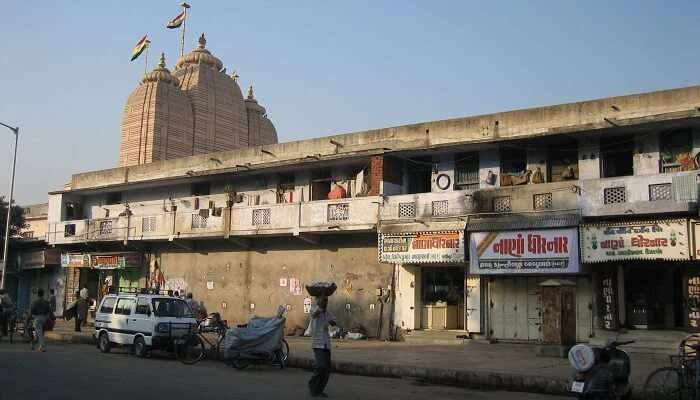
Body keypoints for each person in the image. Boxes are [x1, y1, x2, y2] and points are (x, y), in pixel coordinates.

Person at [308, 295, 336, 397]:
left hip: (326, 344)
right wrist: (321, 308)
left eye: (327, 300)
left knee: (327, 369)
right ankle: (312, 383)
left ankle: (319, 390)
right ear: (318, 301)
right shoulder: (314, 310)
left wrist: (332, 322)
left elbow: (333, 320)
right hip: (317, 343)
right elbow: (314, 314)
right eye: (324, 300)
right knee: (321, 365)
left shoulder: (327, 313)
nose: (326, 302)